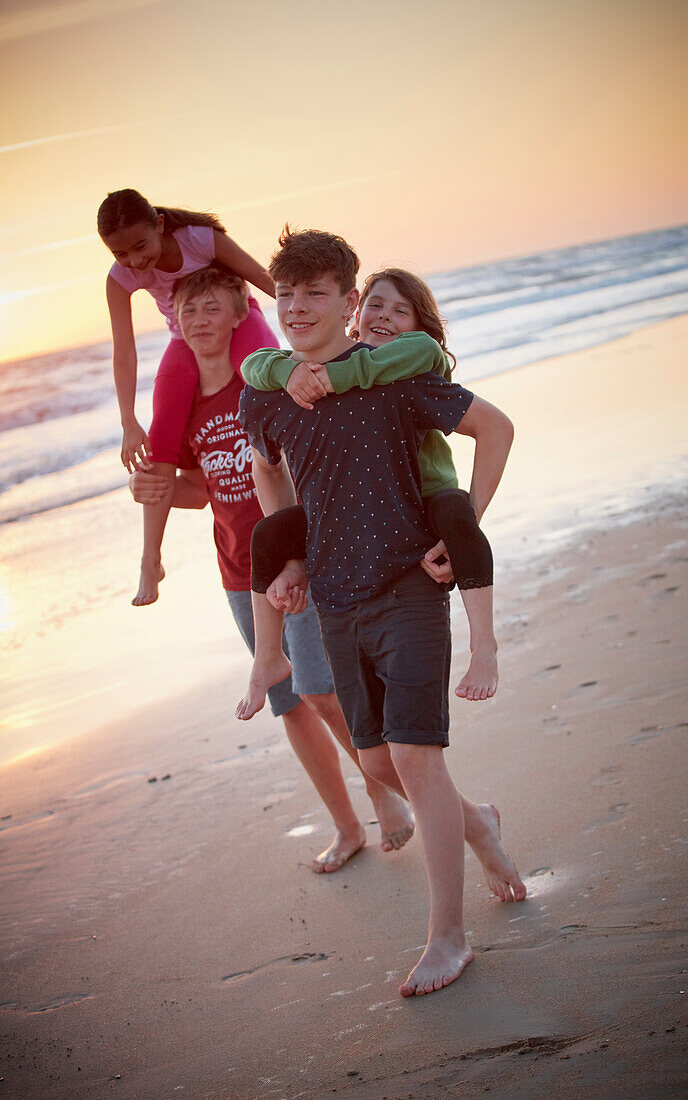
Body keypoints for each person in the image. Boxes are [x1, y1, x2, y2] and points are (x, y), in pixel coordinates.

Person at [239, 227, 526, 998]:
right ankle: (482, 826)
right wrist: (292, 558)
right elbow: (269, 471)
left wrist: (461, 523)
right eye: (286, 293)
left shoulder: (393, 376)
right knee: (375, 763)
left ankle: (448, 937)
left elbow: (493, 428)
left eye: (314, 293)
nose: (297, 307)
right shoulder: (268, 391)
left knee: (414, 757)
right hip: (335, 596)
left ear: (346, 300)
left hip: (406, 584)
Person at [129, 264, 414, 873]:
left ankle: (384, 793)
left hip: (290, 564)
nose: (199, 321)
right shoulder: (187, 406)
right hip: (238, 573)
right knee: (290, 706)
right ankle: (346, 829)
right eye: (188, 313)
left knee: (323, 691)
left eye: (212, 309)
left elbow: (291, 462)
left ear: (238, 315)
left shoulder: (261, 382)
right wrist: (149, 487)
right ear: (174, 326)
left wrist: (301, 560)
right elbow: (202, 491)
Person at [240, 267, 497, 717]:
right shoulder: (313, 371)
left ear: (421, 326)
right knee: (267, 533)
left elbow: (492, 425)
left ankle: (484, 645)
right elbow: (253, 363)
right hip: (348, 514)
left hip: (425, 501)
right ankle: (267, 657)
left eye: (402, 311)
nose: (385, 316)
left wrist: (335, 377)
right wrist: (286, 369)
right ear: (355, 311)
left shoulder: (413, 357)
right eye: (375, 305)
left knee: (458, 512)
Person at [97, 187, 277, 607]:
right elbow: (123, 349)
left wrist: (307, 316)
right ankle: (150, 560)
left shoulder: (199, 238)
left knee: (267, 386)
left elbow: (261, 278)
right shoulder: (120, 278)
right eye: (121, 254)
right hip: (185, 334)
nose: (135, 261)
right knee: (160, 441)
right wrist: (128, 421)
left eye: (141, 246)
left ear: (160, 225)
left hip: (239, 317)